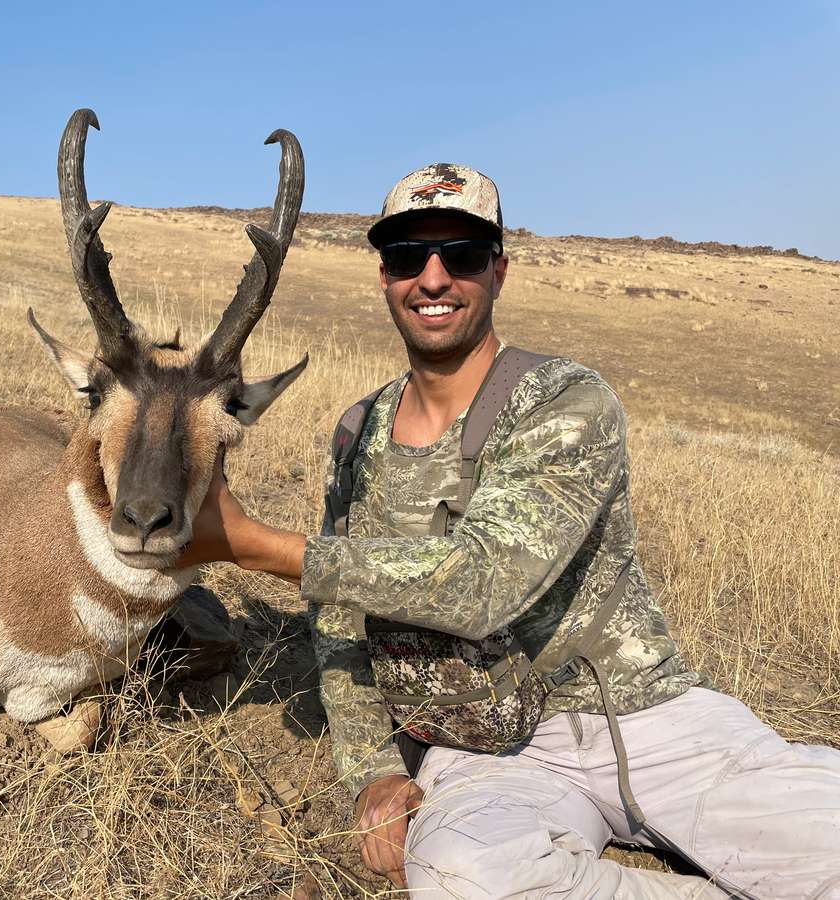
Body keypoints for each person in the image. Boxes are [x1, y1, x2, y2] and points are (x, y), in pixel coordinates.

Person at [180, 163, 840, 898]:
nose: (432, 278)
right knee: (461, 878)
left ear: (498, 270)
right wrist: (372, 772)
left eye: (459, 254)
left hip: (637, 719)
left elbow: (483, 584)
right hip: (477, 751)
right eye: (407, 256)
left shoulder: (566, 400)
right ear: (383, 276)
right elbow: (338, 619)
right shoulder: (357, 432)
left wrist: (253, 546)